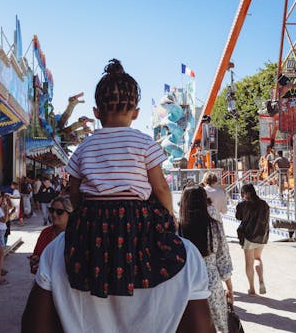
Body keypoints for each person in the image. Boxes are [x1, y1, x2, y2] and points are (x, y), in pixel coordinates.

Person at [22, 59, 214, 333]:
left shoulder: (86, 145)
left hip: (92, 217)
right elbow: (160, 187)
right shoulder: (145, 142)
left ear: (96, 112)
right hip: (138, 216)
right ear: (135, 113)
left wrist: (81, 212)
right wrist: (167, 216)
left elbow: (74, 189)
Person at [179, 186, 234, 333]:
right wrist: (229, 287)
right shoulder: (214, 226)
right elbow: (223, 258)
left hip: (187, 283)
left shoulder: (179, 229)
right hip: (212, 281)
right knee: (218, 325)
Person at [235, 184, 269, 295]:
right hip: (261, 236)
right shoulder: (264, 204)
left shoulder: (243, 205)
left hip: (248, 236)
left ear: (244, 193)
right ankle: (261, 280)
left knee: (249, 263)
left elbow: (239, 217)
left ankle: (251, 288)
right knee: (257, 258)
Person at [29, 196, 72, 274]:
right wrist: (34, 261)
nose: (54, 215)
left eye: (59, 212)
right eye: (52, 210)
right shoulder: (45, 233)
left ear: (69, 214)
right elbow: (36, 257)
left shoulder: (75, 235)